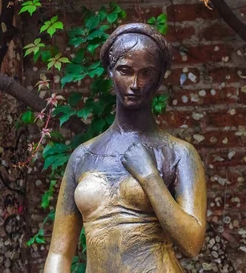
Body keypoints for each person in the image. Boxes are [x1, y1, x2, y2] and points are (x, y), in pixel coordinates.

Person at [44, 23, 207, 273]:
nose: (135, 83)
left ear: (159, 77)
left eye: (146, 73)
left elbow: (192, 243)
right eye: (125, 70)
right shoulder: (83, 157)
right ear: (110, 71)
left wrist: (149, 176)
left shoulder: (178, 153)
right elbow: (59, 253)